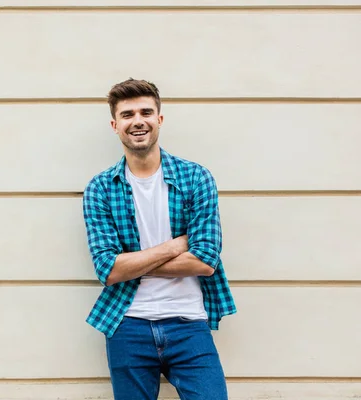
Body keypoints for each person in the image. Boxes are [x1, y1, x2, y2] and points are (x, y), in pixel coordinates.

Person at [82, 78, 237, 400]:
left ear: (159, 119)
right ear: (115, 125)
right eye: (127, 115)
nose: (137, 121)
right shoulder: (100, 188)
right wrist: (176, 245)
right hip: (127, 325)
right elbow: (108, 270)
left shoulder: (196, 177)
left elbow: (205, 261)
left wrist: (133, 263)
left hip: (189, 323)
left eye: (145, 112)